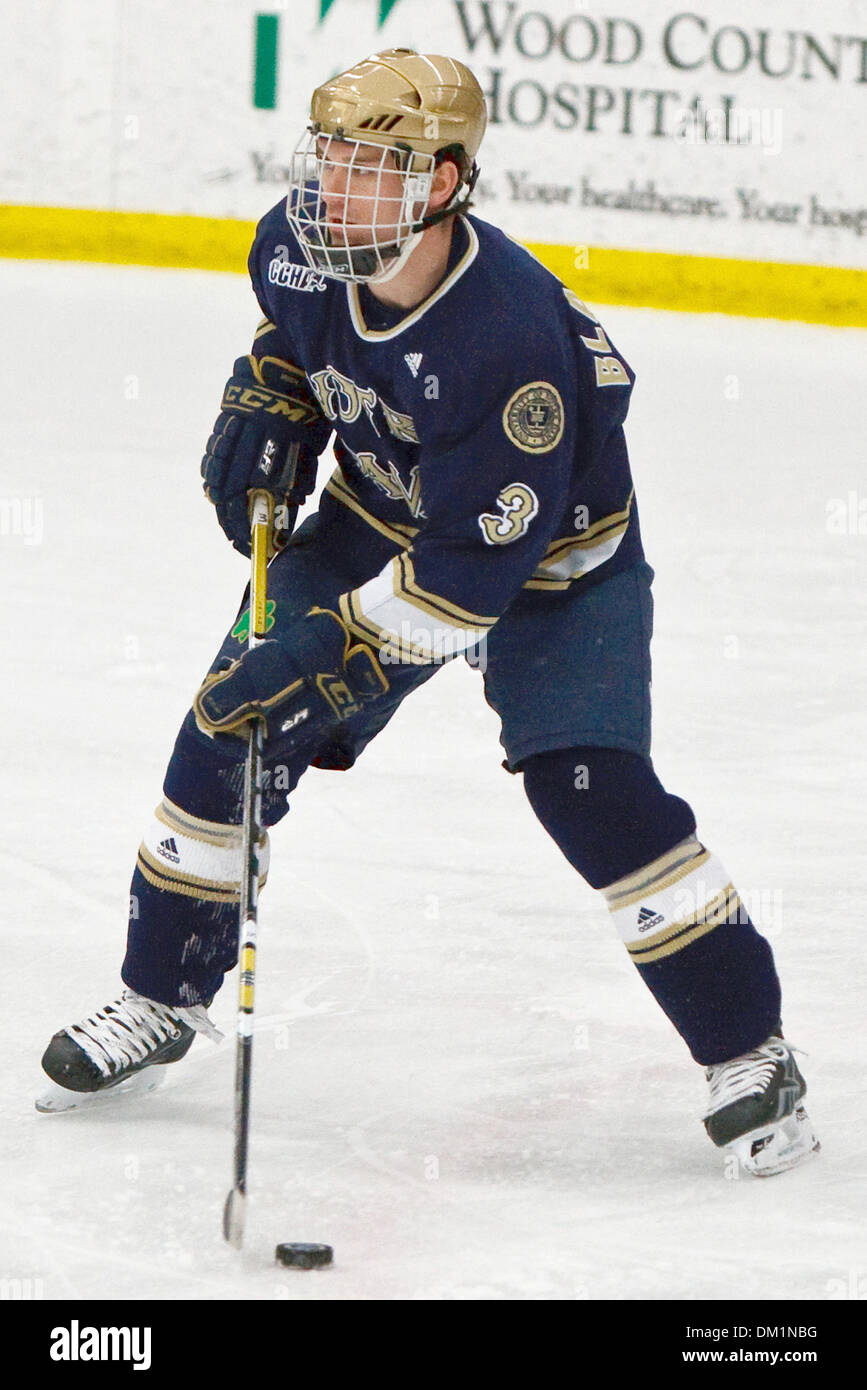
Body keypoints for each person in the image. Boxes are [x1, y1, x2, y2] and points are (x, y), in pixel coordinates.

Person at [40, 49, 818, 1176]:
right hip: (381, 506)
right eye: (331, 159)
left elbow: (461, 588)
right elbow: (297, 344)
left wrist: (329, 655)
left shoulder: (505, 346)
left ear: (446, 183)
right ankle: (159, 995)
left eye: (372, 167)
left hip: (556, 563)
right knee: (228, 728)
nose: (333, 188)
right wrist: (270, 396)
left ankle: (751, 1050)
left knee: (590, 789)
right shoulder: (298, 250)